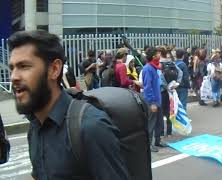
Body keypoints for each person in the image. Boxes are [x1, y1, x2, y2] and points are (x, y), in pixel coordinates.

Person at [8, 30, 130, 179]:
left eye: (24, 66)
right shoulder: (35, 127)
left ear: (54, 69)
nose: (14, 76)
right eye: (12, 68)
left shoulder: (91, 127)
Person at [142, 47, 166, 153]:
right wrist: (152, 103)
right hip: (152, 101)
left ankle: (158, 141)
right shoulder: (148, 69)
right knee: (151, 123)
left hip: (158, 100)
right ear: (153, 56)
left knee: (159, 122)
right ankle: (148, 143)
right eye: (158, 54)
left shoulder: (154, 67)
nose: (159, 56)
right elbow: (147, 87)